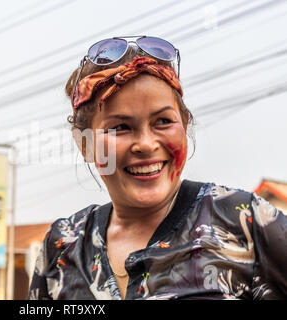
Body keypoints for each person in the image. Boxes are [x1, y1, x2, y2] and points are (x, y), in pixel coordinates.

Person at [27, 36, 287, 300]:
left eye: (163, 121)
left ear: (184, 126)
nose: (146, 144)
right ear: (85, 144)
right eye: (120, 127)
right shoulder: (63, 245)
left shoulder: (244, 220)